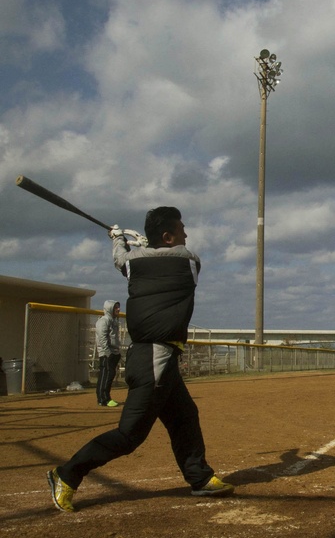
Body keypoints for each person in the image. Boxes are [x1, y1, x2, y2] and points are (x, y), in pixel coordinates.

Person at [47, 207, 234, 512]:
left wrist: (118, 239)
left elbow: (122, 259)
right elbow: (158, 257)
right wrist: (139, 243)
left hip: (160, 358)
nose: (186, 235)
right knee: (129, 435)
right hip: (153, 359)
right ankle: (66, 474)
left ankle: (199, 477)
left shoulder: (135, 263)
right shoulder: (188, 260)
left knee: (185, 417)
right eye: (181, 229)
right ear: (167, 236)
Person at [95, 300, 123, 407]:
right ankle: (103, 399)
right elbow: (102, 338)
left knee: (110, 375)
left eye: (118, 307)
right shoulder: (104, 321)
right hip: (107, 353)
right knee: (106, 375)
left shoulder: (113, 320)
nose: (118, 309)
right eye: (116, 307)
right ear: (110, 308)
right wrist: (108, 353)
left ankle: (105, 397)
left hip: (113, 352)